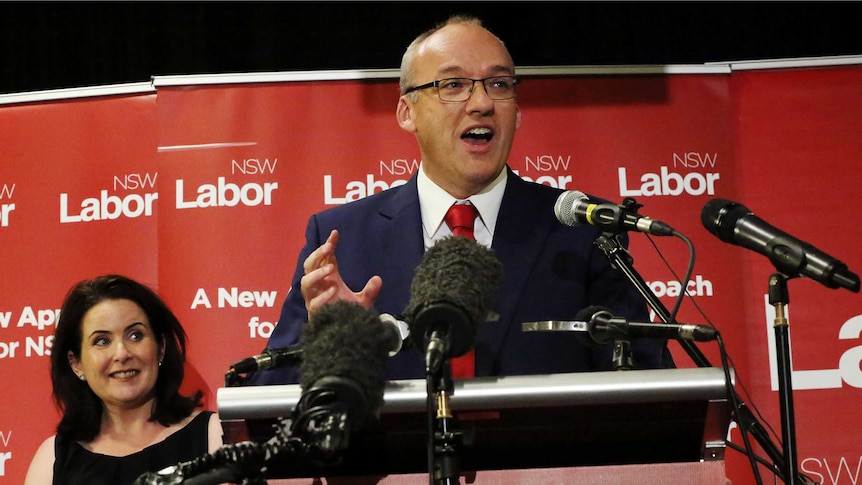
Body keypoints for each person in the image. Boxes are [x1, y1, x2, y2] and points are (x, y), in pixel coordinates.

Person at [248, 14, 674, 386]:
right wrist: (332, 341)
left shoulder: (580, 231)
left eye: (499, 84)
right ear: (406, 112)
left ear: (518, 110)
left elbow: (650, 391)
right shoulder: (344, 239)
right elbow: (269, 396)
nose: (483, 102)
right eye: (453, 84)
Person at [24, 274, 223, 485]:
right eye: (102, 341)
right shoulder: (53, 460)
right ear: (77, 364)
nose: (122, 353)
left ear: (161, 348)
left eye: (135, 336)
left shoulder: (214, 436)